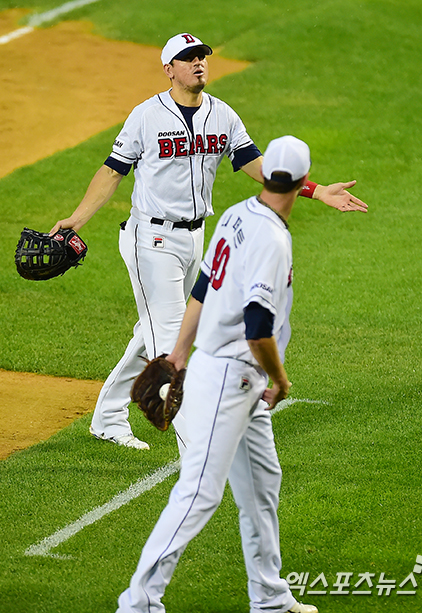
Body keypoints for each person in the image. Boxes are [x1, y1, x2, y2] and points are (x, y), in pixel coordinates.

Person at [50, 32, 367, 450]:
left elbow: (256, 165)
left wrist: (315, 189)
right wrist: (77, 219)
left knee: (152, 334)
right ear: (169, 69)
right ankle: (194, 450)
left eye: (202, 56)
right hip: (152, 240)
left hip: (195, 239)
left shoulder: (222, 115)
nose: (198, 63)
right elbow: (112, 171)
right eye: (187, 58)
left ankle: (108, 415)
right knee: (170, 341)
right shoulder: (146, 116)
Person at [116, 135, 319, 613]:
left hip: (228, 374)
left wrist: (180, 352)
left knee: (263, 484)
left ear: (267, 173)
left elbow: (204, 288)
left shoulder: (236, 214)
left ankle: (269, 597)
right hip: (234, 377)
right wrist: (281, 379)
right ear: (304, 182)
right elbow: (257, 328)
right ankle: (139, 603)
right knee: (200, 493)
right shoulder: (272, 237)